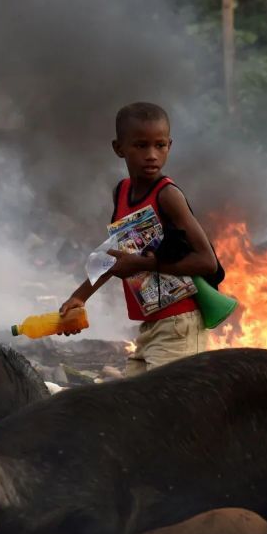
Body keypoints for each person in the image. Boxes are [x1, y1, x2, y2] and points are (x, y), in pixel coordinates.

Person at [59, 102, 220, 376]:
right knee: (131, 400)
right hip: (151, 326)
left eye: (160, 145)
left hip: (179, 324)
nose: (151, 155)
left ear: (169, 145)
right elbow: (118, 251)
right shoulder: (122, 192)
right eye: (141, 146)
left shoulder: (167, 195)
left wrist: (143, 264)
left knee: (165, 400)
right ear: (119, 148)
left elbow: (207, 262)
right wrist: (79, 297)